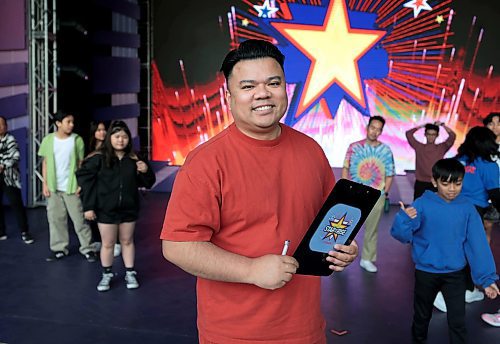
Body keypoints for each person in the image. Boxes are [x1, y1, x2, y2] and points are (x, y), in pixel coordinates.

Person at [160, 39, 359, 343]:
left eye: (273, 83)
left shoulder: (311, 150)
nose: (262, 94)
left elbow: (328, 223)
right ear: (229, 97)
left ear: (285, 89)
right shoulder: (206, 161)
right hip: (233, 333)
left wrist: (342, 249)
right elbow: (177, 246)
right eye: (248, 86)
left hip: (305, 329)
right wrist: (251, 270)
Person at [391, 158, 499, 343]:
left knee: (457, 322)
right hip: (426, 272)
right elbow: (403, 236)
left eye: (457, 184)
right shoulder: (422, 203)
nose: (451, 189)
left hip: (455, 275)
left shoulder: (467, 208)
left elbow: (478, 245)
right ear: (434, 182)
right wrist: (403, 219)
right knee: (421, 319)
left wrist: (487, 279)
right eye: (445, 183)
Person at [76, 120, 156, 291]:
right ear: (110, 138)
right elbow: (84, 179)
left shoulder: (134, 158)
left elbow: (148, 182)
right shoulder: (98, 158)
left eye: (125, 137)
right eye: (117, 136)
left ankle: (130, 272)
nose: (121, 140)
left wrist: (145, 171)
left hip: (129, 208)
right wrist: (89, 206)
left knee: (127, 241)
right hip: (106, 209)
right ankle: (106, 274)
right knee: (108, 243)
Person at [433, 126, 500, 312]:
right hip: (472, 212)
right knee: (469, 253)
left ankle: (468, 290)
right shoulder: (488, 166)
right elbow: (496, 195)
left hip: (448, 210)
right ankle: (446, 297)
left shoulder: (456, 161)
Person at [38, 110, 96, 262]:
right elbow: (45, 162)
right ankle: (59, 248)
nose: (71, 125)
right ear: (58, 123)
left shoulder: (77, 140)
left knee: (79, 219)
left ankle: (87, 248)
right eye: (68, 122)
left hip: (71, 186)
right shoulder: (48, 140)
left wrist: (80, 184)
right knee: (56, 219)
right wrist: (44, 183)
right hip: (53, 186)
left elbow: (80, 163)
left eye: (72, 122)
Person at [342, 115, 395, 273]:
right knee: (345, 226)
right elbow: (345, 167)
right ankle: (340, 256)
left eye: (378, 129)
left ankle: (367, 259)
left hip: (376, 194)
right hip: (354, 192)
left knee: (371, 229)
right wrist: (345, 188)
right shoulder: (354, 147)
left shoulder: (385, 150)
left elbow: (390, 174)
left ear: (381, 132)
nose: (374, 131)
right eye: (373, 127)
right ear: (367, 127)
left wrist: (385, 193)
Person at [86, 121, 121, 257]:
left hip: (108, 187)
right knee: (94, 214)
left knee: (112, 214)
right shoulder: (89, 149)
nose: (102, 132)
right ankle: (98, 239)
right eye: (98, 130)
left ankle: (116, 242)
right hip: (94, 186)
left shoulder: (110, 148)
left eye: (104, 129)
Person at [0, 116, 34, 244]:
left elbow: (15, 156)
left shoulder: (11, 139)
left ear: (6, 126)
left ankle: (25, 232)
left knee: (16, 204)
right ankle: (1, 232)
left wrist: (3, 165)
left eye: (2, 124)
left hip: (10, 177)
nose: (0, 127)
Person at [405, 121, 456, 200]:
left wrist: (443, 125)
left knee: (433, 207)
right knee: (417, 207)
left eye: (433, 134)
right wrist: (422, 125)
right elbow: (408, 134)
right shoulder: (419, 147)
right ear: (425, 135)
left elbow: (452, 136)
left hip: (435, 182)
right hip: (420, 182)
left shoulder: (441, 148)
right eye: (429, 134)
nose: (431, 137)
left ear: (437, 135)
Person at [482, 112, 500, 243]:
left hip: (497, 192)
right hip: (482, 192)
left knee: (487, 225)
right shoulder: (480, 146)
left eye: (499, 123)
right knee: (484, 227)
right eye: (491, 123)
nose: (495, 127)